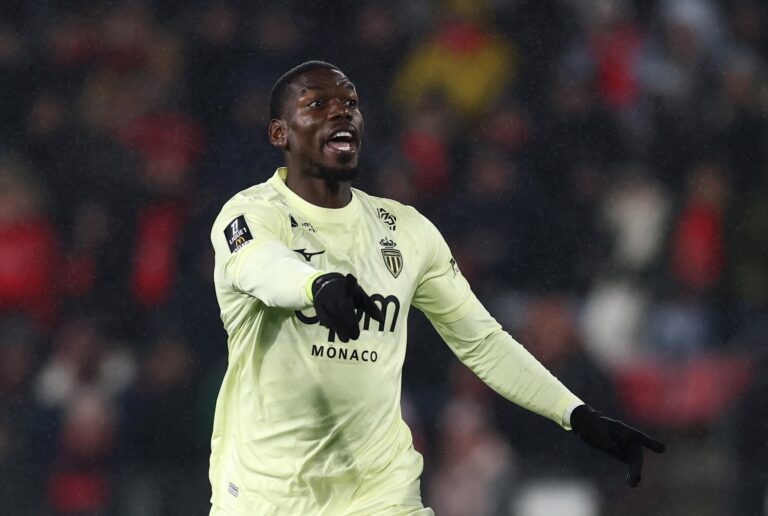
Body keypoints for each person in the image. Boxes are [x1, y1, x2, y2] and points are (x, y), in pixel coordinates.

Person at [208, 61, 665, 515]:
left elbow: (482, 342)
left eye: (350, 103)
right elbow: (259, 264)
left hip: (380, 496)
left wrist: (575, 414)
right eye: (317, 104)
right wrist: (315, 284)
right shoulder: (250, 213)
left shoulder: (407, 231)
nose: (340, 112)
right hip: (269, 497)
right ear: (279, 133)